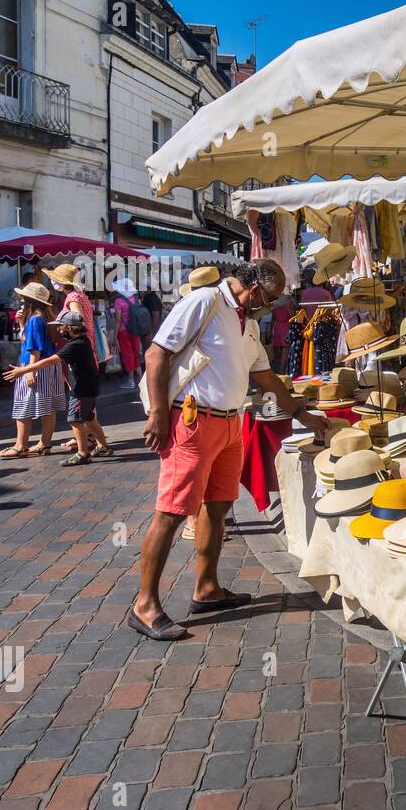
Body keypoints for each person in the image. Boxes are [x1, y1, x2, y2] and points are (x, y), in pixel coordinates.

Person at [131, 259, 328, 640]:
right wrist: (157, 414)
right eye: (270, 299)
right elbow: (157, 354)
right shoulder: (205, 302)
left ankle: (206, 589)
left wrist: (302, 412)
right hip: (192, 421)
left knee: (218, 507)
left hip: (230, 423)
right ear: (254, 290)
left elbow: (266, 377)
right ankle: (144, 604)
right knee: (172, 511)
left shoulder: (249, 323)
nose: (272, 307)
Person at [3, 310, 111, 466]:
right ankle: (103, 447)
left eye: (61, 327)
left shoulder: (76, 345)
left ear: (69, 328)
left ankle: (82, 453)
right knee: (89, 418)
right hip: (88, 386)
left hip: (81, 388)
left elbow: (50, 361)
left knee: (75, 420)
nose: (59, 330)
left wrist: (24, 370)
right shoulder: (82, 341)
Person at [43, 263, 110, 455]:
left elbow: (76, 318)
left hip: (79, 351)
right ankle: (89, 437)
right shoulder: (81, 295)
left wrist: (67, 332)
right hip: (87, 349)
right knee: (85, 397)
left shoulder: (72, 297)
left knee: (79, 394)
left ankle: (86, 439)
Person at [0, 282, 65, 458]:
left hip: (36, 365)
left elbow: (34, 348)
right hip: (49, 365)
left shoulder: (35, 319)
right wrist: (21, 324)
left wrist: (29, 371)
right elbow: (30, 341)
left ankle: (20, 445)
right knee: (48, 407)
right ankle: (45, 443)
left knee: (23, 406)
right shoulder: (45, 317)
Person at [112, 278, 144, 389]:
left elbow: (118, 320)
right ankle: (141, 380)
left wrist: (115, 337)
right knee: (135, 354)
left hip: (124, 331)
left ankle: (131, 381)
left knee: (128, 355)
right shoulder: (136, 299)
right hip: (136, 330)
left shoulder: (118, 301)